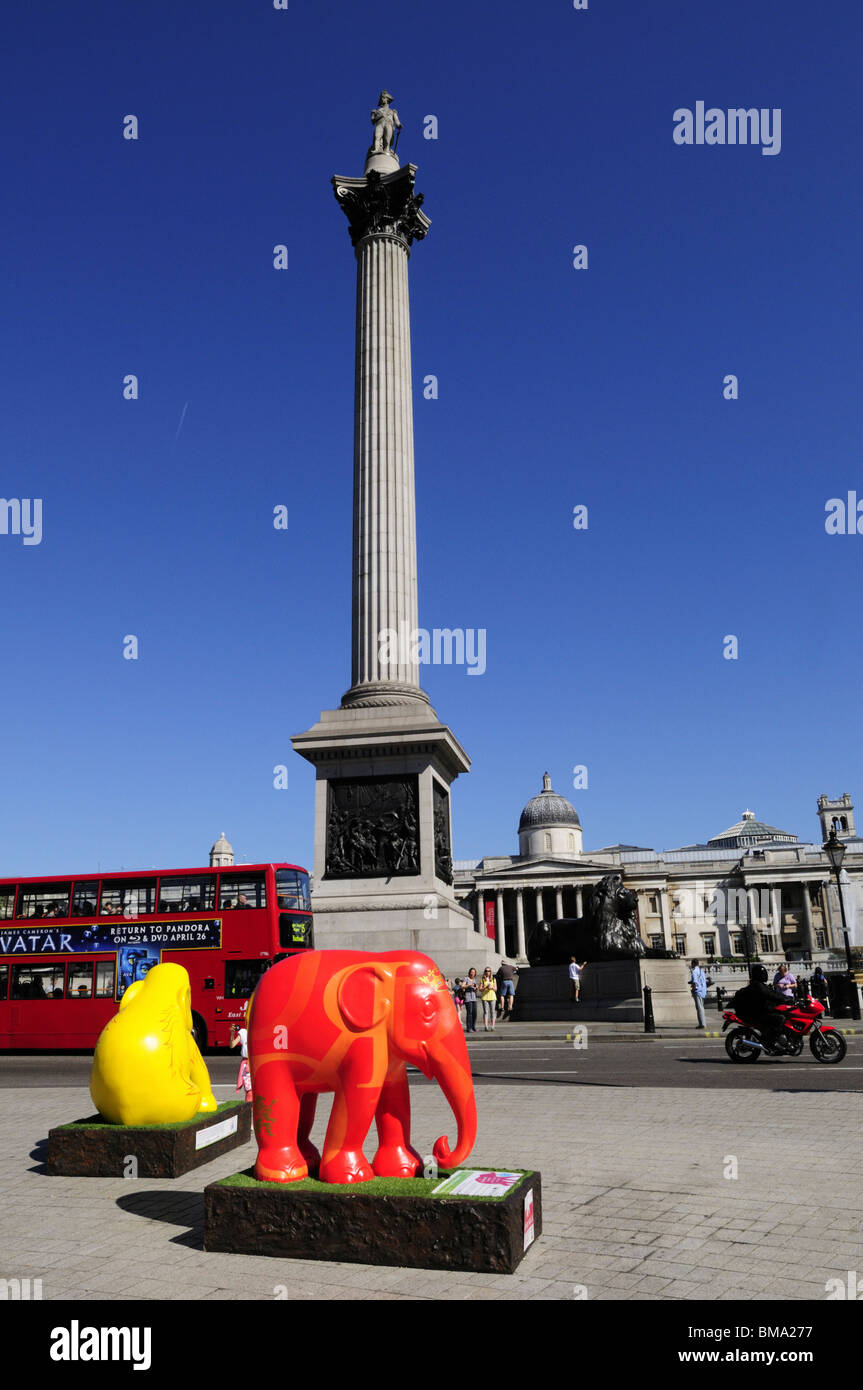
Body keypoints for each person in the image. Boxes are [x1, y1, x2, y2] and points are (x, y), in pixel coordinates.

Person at [733, 964, 790, 1048]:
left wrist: (785, 998)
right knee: (781, 1018)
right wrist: (784, 999)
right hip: (758, 1013)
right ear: (758, 974)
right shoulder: (757, 985)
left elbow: (772, 993)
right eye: (762, 973)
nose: (764, 975)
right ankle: (771, 1041)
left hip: (760, 1011)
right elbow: (770, 995)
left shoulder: (759, 984)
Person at [230, 1023, 252, 1102]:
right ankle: (249, 1110)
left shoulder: (261, 1030)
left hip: (257, 1063)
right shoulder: (243, 1032)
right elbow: (232, 1045)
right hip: (246, 1064)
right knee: (249, 1090)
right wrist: (232, 1034)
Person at [689, 959, 707, 1029]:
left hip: (698, 991)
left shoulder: (694, 971)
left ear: (693, 963)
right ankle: (703, 1023)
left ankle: (702, 1024)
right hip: (703, 991)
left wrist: (693, 990)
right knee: (701, 1007)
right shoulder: (701, 971)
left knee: (699, 1008)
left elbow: (695, 983)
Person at [462, 968, 479, 1033]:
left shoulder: (474, 979)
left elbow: (475, 990)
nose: (472, 973)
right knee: (469, 1013)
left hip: (474, 997)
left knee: (475, 1013)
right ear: (469, 972)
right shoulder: (466, 978)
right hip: (468, 997)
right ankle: (469, 1028)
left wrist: (476, 988)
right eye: (471, 972)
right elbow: (462, 986)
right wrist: (469, 985)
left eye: (474, 972)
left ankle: (473, 1027)